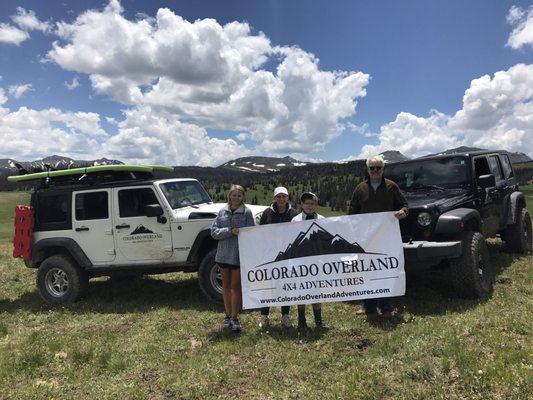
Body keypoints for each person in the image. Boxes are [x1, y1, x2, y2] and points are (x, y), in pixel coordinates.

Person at [348, 155, 408, 319]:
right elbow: (352, 211)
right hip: (365, 238)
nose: (375, 171)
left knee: (384, 270)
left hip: (386, 237)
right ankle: (369, 307)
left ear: (383, 169)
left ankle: (386, 307)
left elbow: (404, 204)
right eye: (372, 168)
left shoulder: (391, 186)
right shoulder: (360, 188)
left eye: (378, 168)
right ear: (367, 170)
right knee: (366, 271)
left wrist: (403, 211)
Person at [211, 184, 255, 332]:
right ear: (229, 196)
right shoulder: (222, 212)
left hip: (238, 255)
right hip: (223, 255)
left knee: (235, 287)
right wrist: (230, 231)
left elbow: (251, 233)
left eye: (239, 195)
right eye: (233, 195)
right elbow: (214, 232)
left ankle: (235, 317)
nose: (236, 198)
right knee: (226, 286)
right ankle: (227, 316)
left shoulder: (247, 213)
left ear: (243, 197)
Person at [258, 186, 298, 328]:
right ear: (274, 198)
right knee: (267, 285)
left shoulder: (294, 214)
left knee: (285, 286)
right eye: (278, 196)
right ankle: (264, 316)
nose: (281, 199)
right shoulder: (267, 213)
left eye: (284, 196)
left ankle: (285, 315)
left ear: (287, 198)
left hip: (287, 256)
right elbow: (260, 232)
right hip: (269, 256)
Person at [292, 192, 327, 329]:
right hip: (300, 262)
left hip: (318, 262)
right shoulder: (295, 220)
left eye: (312, 203)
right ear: (301, 205)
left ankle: (318, 321)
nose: (310, 206)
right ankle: (302, 321)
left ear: (316, 205)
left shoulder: (323, 219)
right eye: (307, 203)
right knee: (301, 292)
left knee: (316, 291)